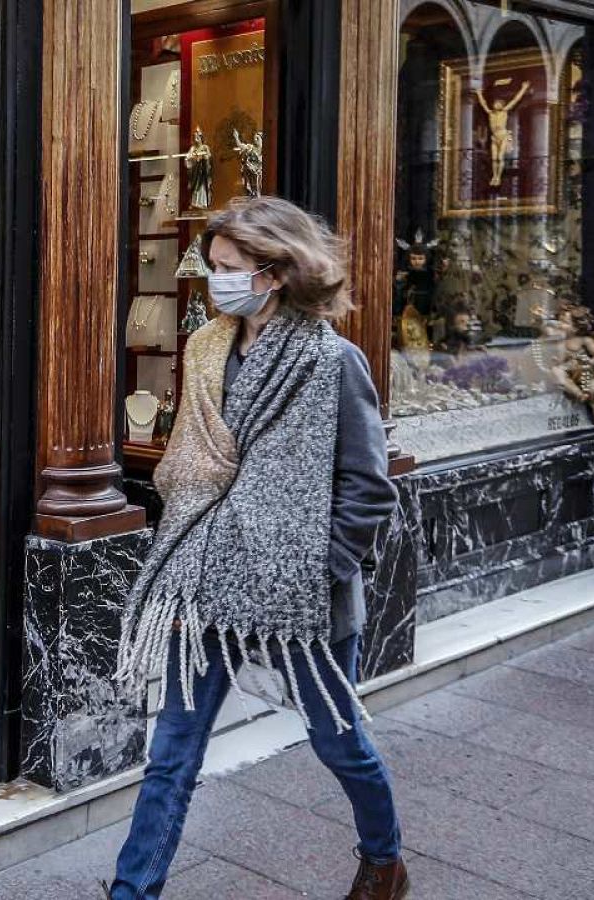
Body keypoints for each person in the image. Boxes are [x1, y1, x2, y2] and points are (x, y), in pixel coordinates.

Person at [113, 196, 407, 900]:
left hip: (303, 593)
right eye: (213, 266)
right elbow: (194, 464)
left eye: (228, 267)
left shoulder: (332, 362)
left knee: (337, 740)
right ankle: (133, 891)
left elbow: (368, 486)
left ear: (274, 273)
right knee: (172, 753)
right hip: (207, 574)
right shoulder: (205, 350)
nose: (215, 280)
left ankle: (384, 860)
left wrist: (312, 567)